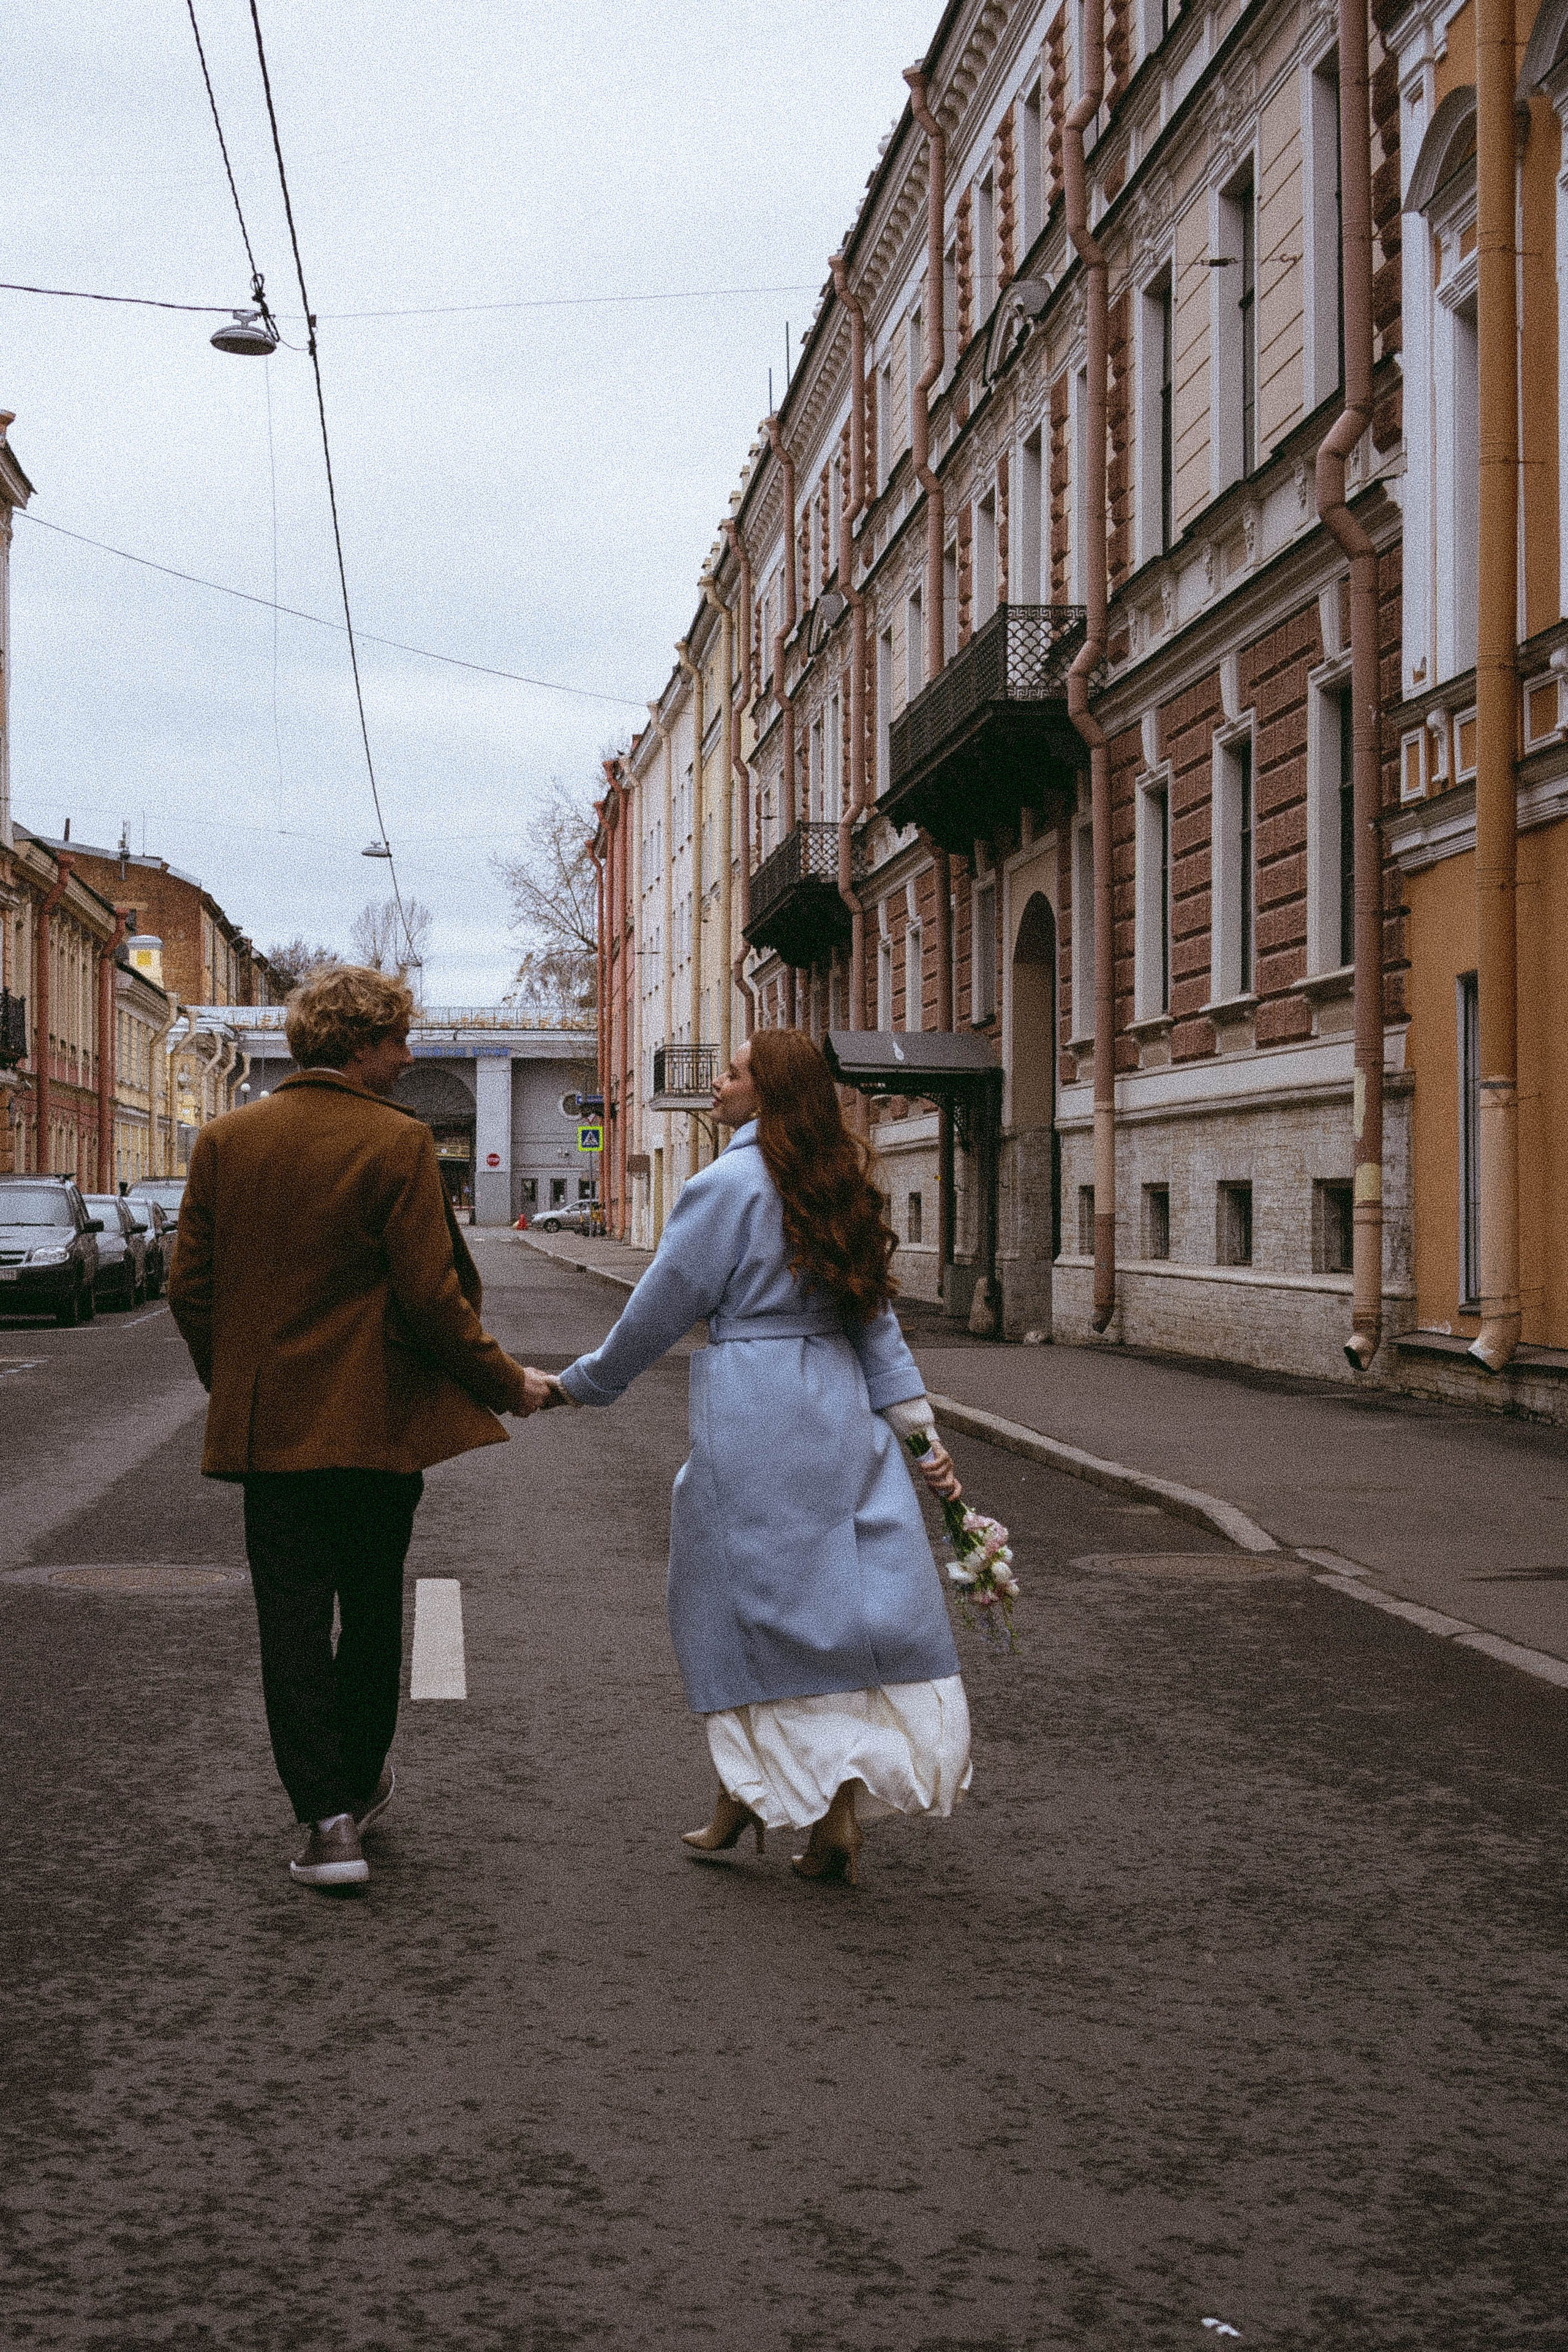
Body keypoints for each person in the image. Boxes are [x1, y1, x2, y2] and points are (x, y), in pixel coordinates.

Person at [540, 1029, 970, 1885]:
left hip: (758, 1404)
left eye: (734, 1075)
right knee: (832, 1611)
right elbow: (875, 1324)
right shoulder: (834, 1183)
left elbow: (660, 1310)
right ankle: (798, 1803)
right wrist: (923, 1440)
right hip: (843, 1406)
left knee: (737, 1600)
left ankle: (757, 1790)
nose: (719, 1086)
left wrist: (577, 1386)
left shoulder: (726, 1185)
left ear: (767, 1095)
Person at [168, 966, 551, 1892]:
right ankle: (359, 1783)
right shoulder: (399, 1142)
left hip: (273, 1437)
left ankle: (327, 1820)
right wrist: (507, 1384)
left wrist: (242, 1387)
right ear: (360, 1045)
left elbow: (189, 1290)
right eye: (397, 1042)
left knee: (290, 1623)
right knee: (373, 1615)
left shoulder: (226, 1138)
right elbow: (432, 1298)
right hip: (374, 1431)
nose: (410, 1056)